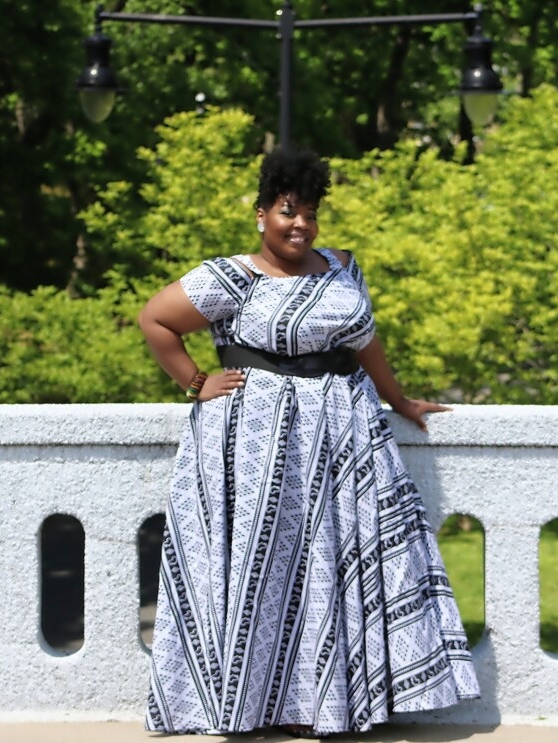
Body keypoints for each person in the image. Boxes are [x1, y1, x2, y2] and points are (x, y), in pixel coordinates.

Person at [138, 148, 479, 738]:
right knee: (266, 567)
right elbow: (155, 320)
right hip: (257, 440)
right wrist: (196, 382)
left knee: (332, 562)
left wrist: (398, 400)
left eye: (310, 213)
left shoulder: (341, 266)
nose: (300, 224)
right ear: (262, 213)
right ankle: (257, 704)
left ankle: (324, 703)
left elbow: (366, 341)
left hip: (342, 431)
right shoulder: (231, 277)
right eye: (288, 211)